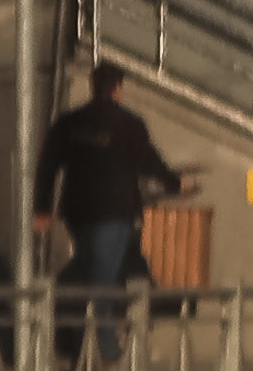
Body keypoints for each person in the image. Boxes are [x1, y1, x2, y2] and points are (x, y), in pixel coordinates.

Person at [31, 63, 186, 350]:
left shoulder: (69, 123)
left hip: (78, 212)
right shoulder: (129, 123)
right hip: (116, 211)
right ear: (117, 89)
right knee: (102, 277)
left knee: (89, 265)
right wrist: (175, 183)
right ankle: (105, 347)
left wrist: (42, 208)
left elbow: (48, 165)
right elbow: (148, 161)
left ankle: (54, 308)